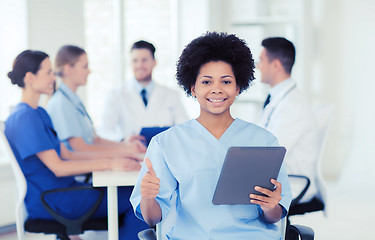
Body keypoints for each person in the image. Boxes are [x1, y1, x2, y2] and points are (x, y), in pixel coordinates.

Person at [130, 32, 292, 239]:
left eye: (226, 82)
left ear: (238, 87)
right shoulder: (166, 143)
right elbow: (152, 219)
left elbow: (275, 216)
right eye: (206, 82)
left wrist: (271, 207)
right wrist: (148, 197)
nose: (216, 89)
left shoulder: (264, 141)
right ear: (193, 88)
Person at [4, 50, 149, 239]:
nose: (53, 77)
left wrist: (116, 157)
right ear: (30, 77)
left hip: (63, 193)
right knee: (139, 198)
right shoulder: (25, 118)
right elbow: (58, 167)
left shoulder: (38, 112)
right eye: (48, 72)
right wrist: (110, 164)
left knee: (135, 193)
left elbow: (68, 154)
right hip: (55, 199)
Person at [46, 45, 146, 156]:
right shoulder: (61, 103)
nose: (89, 71)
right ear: (68, 69)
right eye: (85, 67)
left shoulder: (74, 101)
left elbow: (94, 140)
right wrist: (125, 151)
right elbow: (79, 148)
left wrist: (126, 145)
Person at [257, 37, 320, 203]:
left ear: (276, 65)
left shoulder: (293, 105)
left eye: (261, 60)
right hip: (279, 178)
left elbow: (271, 152)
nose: (258, 66)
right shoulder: (278, 98)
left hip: (294, 183)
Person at [98, 40, 189, 141]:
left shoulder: (171, 95)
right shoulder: (116, 95)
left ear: (154, 62)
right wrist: (123, 139)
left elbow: (184, 129)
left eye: (144, 60)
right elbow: (104, 131)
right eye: (135, 61)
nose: (139, 65)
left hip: (164, 153)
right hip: (131, 153)